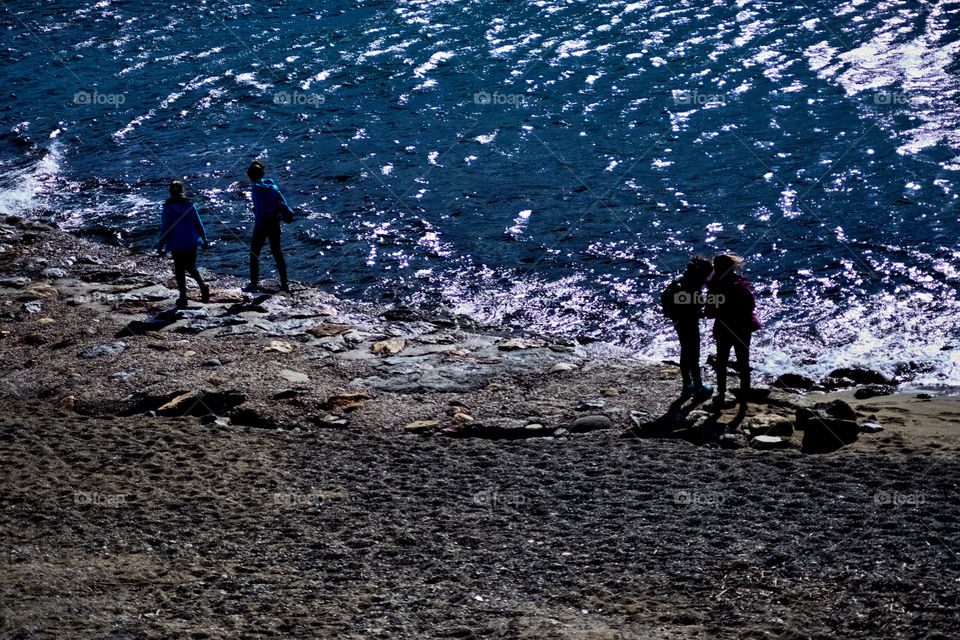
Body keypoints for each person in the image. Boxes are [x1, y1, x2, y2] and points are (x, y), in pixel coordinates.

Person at [703, 254, 761, 412]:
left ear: (716, 267)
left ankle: (721, 394)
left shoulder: (714, 288)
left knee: (721, 361)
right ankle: (744, 400)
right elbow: (751, 306)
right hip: (743, 327)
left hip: (723, 327)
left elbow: (709, 313)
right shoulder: (741, 285)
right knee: (744, 363)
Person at [661, 256, 715, 400]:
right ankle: (699, 388)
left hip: (678, 322)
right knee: (694, 356)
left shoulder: (682, 280)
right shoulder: (693, 286)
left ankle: (687, 385)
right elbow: (696, 307)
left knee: (685, 353)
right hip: (689, 323)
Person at [156, 180, 209, 309]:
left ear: (170, 192)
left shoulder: (167, 208)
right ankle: (202, 285)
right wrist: (204, 239)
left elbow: (166, 229)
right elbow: (198, 224)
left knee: (179, 270)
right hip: (192, 241)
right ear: (182, 191)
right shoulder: (190, 205)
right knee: (191, 266)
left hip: (177, 243)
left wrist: (160, 245)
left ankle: (183, 297)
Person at [245, 160, 290, 292]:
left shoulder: (256, 188)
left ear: (251, 176)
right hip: (275, 221)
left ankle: (253, 284)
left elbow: (259, 208)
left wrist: (258, 225)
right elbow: (282, 202)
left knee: (254, 253)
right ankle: (284, 283)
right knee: (277, 252)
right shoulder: (273, 186)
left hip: (263, 222)